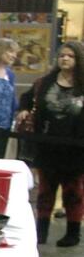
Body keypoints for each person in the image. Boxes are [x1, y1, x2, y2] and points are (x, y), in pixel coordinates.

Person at [16, 41, 84, 246]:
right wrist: (24, 110)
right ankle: (41, 232)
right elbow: (26, 98)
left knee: (73, 192)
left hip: (76, 149)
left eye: (70, 56)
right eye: (62, 55)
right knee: (45, 191)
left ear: (78, 59)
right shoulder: (45, 82)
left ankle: (73, 234)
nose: (65, 59)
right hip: (47, 146)